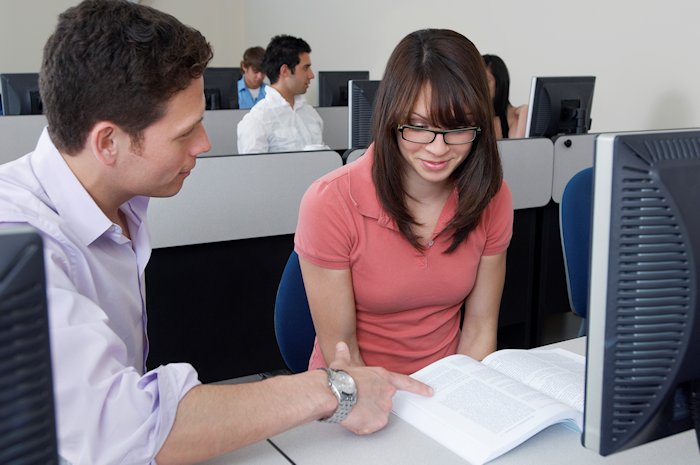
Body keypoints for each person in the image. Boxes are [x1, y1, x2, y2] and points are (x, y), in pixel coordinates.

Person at [0, 2, 432, 464]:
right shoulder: (22, 241)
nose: (205, 144)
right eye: (186, 132)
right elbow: (118, 428)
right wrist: (332, 389)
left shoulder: (118, 203)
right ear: (109, 143)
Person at [294, 29, 514, 376]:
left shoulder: (491, 196)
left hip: (446, 388)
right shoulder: (330, 202)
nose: (439, 149)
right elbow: (343, 352)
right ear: (391, 118)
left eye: (458, 128)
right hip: (357, 391)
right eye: (419, 126)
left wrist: (462, 400)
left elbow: (479, 329)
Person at [237, 34, 328, 154]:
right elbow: (253, 171)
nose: (311, 75)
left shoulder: (311, 114)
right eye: (305, 68)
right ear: (285, 71)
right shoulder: (257, 120)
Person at [482, 54, 529, 139]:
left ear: (499, 84)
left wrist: (524, 115)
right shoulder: (469, 116)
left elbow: (519, 149)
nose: (480, 86)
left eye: (487, 81)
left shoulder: (512, 115)